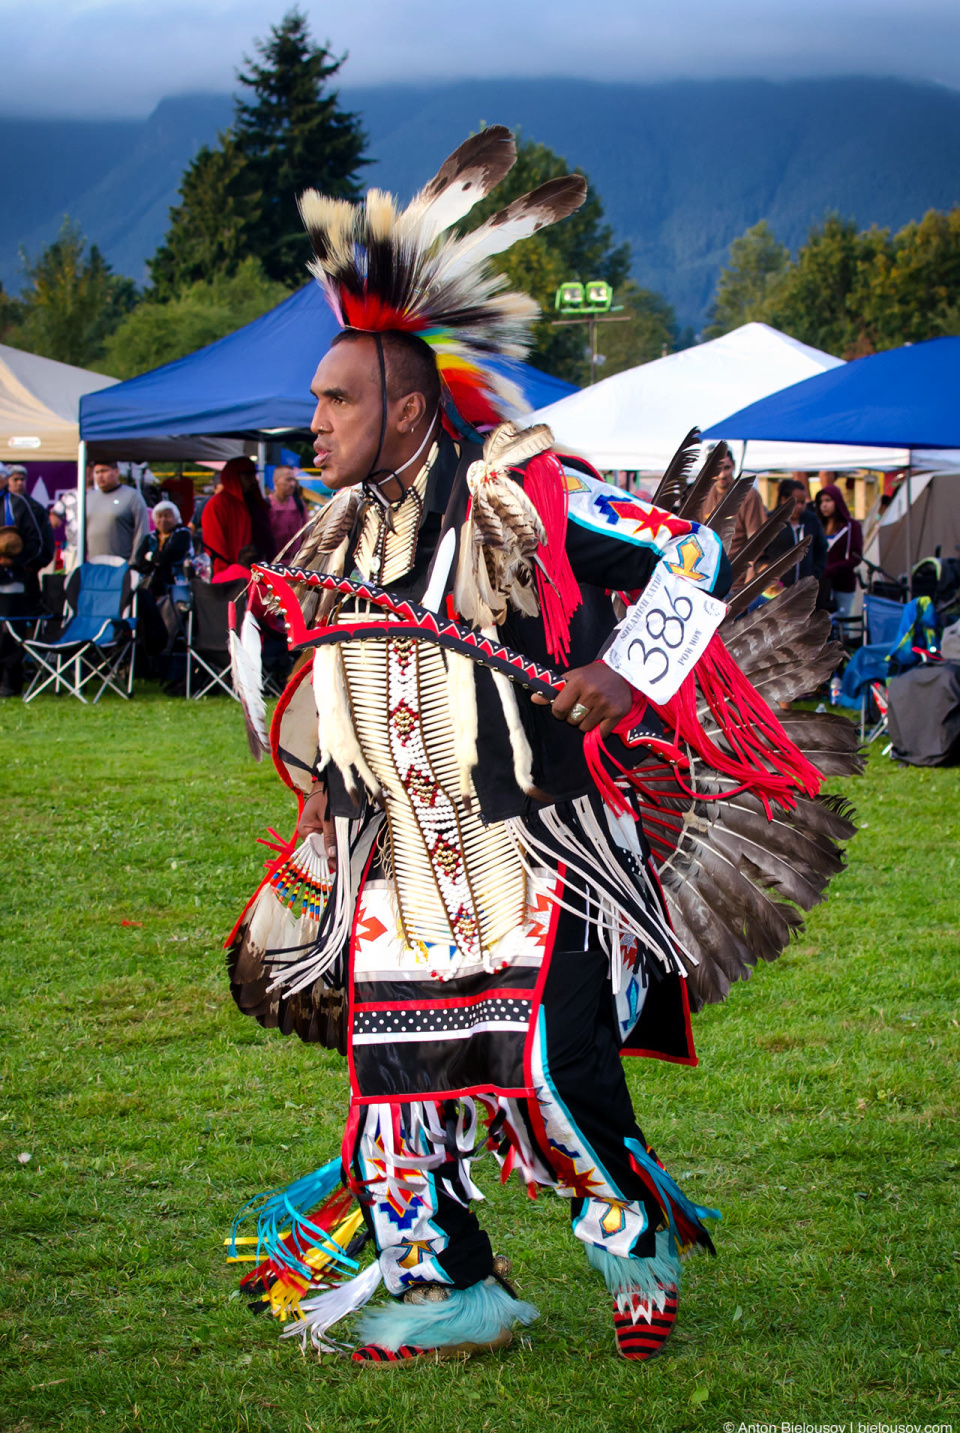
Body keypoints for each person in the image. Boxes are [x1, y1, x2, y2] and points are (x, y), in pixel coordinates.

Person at [222, 129, 857, 1370]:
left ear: (406, 404)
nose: (313, 422)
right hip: (402, 871)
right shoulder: (331, 543)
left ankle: (637, 1245)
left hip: (537, 855)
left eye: (335, 398)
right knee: (393, 1118)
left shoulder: (526, 494)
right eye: (313, 400)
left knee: (555, 1088)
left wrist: (629, 673)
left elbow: (697, 554)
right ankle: (456, 1290)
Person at [0, 470, 54, 695]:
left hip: (10, 582)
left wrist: (13, 562)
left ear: (4, 479)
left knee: (8, 634)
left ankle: (9, 683)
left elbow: (38, 543)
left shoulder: (19, 505)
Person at [696, 448, 765, 577]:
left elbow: (756, 541)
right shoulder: (703, 496)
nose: (722, 475)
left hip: (739, 577)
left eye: (726, 468)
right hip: (710, 576)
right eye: (717, 469)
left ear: (733, 465)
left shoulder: (748, 495)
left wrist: (749, 579)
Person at [201, 458, 274, 575]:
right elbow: (215, 546)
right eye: (247, 476)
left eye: (253, 475)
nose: (253, 480)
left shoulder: (254, 501)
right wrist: (227, 575)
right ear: (235, 477)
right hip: (235, 576)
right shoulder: (218, 504)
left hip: (260, 570)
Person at [764, 478, 828, 587]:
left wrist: (814, 575)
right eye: (796, 502)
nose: (800, 507)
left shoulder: (811, 521)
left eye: (803, 503)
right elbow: (759, 554)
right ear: (783, 500)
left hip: (803, 589)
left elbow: (821, 550)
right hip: (775, 589)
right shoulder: (771, 522)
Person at [85, 462, 150, 563]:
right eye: (97, 472)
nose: (100, 476)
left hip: (121, 565)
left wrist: (134, 562)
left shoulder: (132, 496)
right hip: (94, 565)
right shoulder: (88, 497)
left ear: (116, 472)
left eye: (104, 471)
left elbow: (141, 531)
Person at [815, 483, 862, 615]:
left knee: (843, 623)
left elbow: (856, 557)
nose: (823, 505)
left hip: (843, 584)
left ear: (837, 501)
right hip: (821, 586)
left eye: (828, 500)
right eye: (821, 501)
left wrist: (832, 569)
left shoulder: (852, 526)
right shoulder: (818, 527)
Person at [132, 501, 192, 597]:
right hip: (152, 583)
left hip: (177, 582)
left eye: (167, 516)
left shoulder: (182, 534)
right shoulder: (150, 537)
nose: (163, 520)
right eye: (159, 516)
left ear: (176, 518)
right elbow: (140, 560)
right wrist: (157, 558)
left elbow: (170, 555)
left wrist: (150, 556)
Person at [266, 464, 308, 557]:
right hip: (271, 563)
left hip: (294, 563)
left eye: (294, 480)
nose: (292, 484)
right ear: (276, 481)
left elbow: (306, 535)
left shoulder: (299, 505)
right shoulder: (266, 506)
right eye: (288, 480)